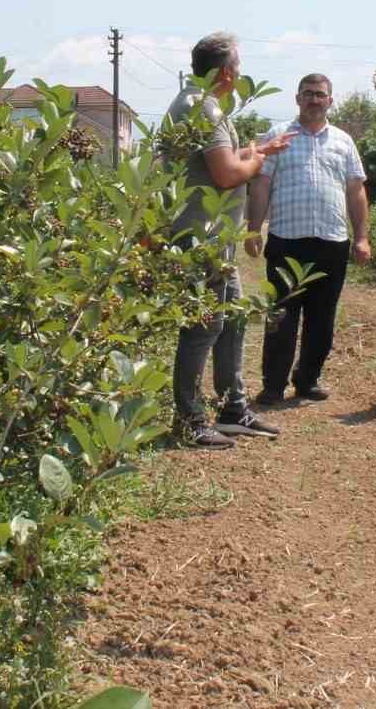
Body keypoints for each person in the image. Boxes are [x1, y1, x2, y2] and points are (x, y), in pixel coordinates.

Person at [166, 32, 296, 448]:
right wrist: (255, 161)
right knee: (203, 328)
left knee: (234, 319)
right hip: (199, 238)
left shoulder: (201, 104)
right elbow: (224, 175)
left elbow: (218, 164)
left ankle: (232, 408)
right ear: (225, 71)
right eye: (238, 68)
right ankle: (189, 419)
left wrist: (260, 152)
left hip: (212, 239)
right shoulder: (202, 107)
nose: (240, 75)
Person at [244, 73, 371, 405]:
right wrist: (253, 228)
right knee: (282, 316)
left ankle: (307, 380)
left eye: (320, 94)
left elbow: (356, 191)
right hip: (287, 241)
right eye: (308, 94)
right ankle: (273, 385)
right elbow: (260, 185)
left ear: (330, 100)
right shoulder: (278, 136)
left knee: (323, 318)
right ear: (297, 99)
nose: (314, 99)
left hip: (331, 241)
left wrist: (361, 238)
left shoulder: (343, 141)